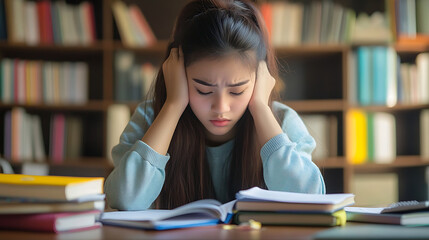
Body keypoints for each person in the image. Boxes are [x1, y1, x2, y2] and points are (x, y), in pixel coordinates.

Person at [105, 0, 325, 210]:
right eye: (204, 90)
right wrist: (173, 106)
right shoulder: (151, 118)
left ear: (260, 79)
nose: (221, 107)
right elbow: (125, 199)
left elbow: (310, 198)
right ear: (178, 75)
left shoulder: (282, 122)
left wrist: (260, 107)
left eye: (237, 90)